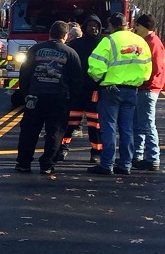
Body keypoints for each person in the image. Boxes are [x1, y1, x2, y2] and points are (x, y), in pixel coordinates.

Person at [87, 13, 152, 175]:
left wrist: (99, 80)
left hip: (111, 89)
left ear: (111, 26)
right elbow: (147, 71)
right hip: (132, 90)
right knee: (127, 128)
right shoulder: (140, 42)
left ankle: (107, 164)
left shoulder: (109, 41)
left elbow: (95, 66)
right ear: (126, 24)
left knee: (108, 128)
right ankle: (125, 165)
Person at [15, 21, 82, 175]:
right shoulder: (70, 53)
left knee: (29, 131)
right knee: (55, 132)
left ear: (50, 33)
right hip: (59, 98)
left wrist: (26, 94)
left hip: (35, 97)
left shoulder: (35, 50)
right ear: (65, 35)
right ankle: (47, 164)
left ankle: (23, 163)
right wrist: (70, 99)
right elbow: (77, 79)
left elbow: (24, 74)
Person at [56, 15, 104, 163]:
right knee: (70, 122)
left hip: (95, 92)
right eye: (90, 25)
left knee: (95, 125)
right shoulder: (75, 45)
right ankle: (62, 149)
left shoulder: (105, 44)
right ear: (85, 28)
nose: (93, 28)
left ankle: (96, 153)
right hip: (76, 91)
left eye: (96, 25)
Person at [131, 14, 163, 171]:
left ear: (143, 26)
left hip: (148, 88)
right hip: (145, 88)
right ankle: (137, 155)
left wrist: (141, 79)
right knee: (139, 123)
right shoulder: (149, 42)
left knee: (147, 124)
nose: (136, 28)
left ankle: (152, 157)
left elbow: (155, 67)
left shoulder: (152, 43)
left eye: (137, 25)